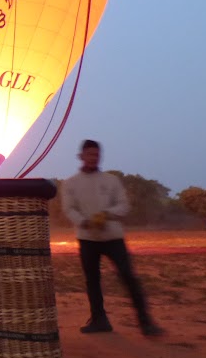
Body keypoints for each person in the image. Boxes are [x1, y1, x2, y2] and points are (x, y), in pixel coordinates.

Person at [61, 140, 164, 336]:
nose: (93, 158)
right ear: (81, 156)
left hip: (113, 237)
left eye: (96, 154)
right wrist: (84, 222)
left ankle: (145, 321)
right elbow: (69, 208)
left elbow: (123, 205)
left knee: (128, 276)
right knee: (92, 280)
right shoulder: (71, 183)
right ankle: (99, 320)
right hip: (87, 238)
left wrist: (107, 214)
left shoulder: (111, 180)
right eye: (89, 154)